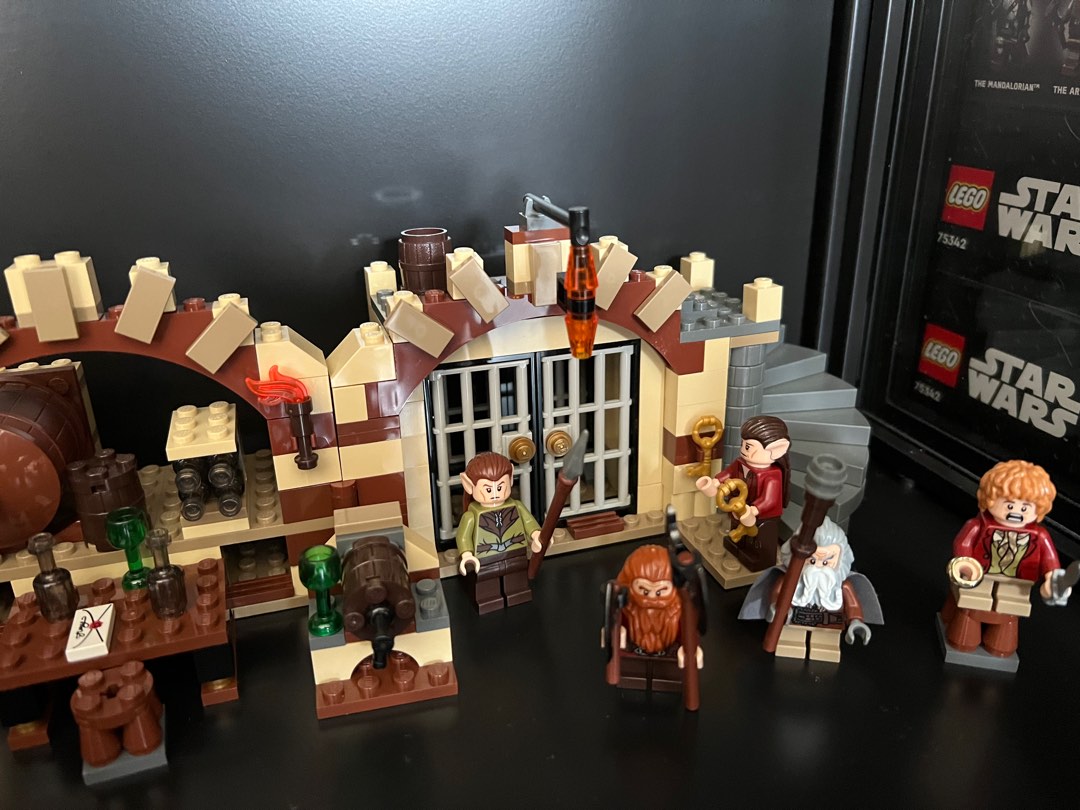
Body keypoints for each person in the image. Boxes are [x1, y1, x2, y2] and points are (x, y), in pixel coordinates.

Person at [941, 459, 1074, 663]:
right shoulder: (977, 525)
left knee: (1009, 615)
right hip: (980, 576)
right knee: (970, 609)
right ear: (989, 499)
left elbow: (1049, 561)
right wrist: (966, 564)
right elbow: (963, 545)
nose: (1015, 512)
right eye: (1009, 505)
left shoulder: (1040, 536)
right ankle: (963, 640)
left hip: (1016, 583)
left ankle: (1000, 645)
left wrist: (1052, 580)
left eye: (1025, 508)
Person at [739, 517, 881, 662]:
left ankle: (824, 649)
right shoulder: (789, 582)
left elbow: (853, 605)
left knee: (826, 648)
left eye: (826, 562)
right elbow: (777, 594)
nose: (818, 567)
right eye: (812, 560)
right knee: (790, 644)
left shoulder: (842, 587)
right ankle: (791, 644)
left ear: (841, 560)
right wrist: (776, 607)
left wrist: (856, 621)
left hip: (828, 625)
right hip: (794, 621)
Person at [695, 415, 791, 572]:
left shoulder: (772, 475)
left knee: (760, 537)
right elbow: (728, 473)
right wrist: (716, 482)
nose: (743, 449)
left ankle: (759, 557)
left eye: (748, 446)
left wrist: (754, 509)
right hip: (740, 507)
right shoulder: (741, 463)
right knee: (737, 527)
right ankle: (738, 545)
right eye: (743, 444)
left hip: (762, 515)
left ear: (775, 450)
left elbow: (769, 500)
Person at [455, 452, 542, 614]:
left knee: (516, 576)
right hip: (485, 557)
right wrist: (466, 555)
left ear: (510, 479)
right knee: (487, 581)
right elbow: (463, 536)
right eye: (488, 489)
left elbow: (529, 523)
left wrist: (536, 535)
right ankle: (488, 600)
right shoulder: (471, 515)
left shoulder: (516, 506)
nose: (495, 493)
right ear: (469, 485)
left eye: (500, 487)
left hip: (515, 552)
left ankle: (517, 593)